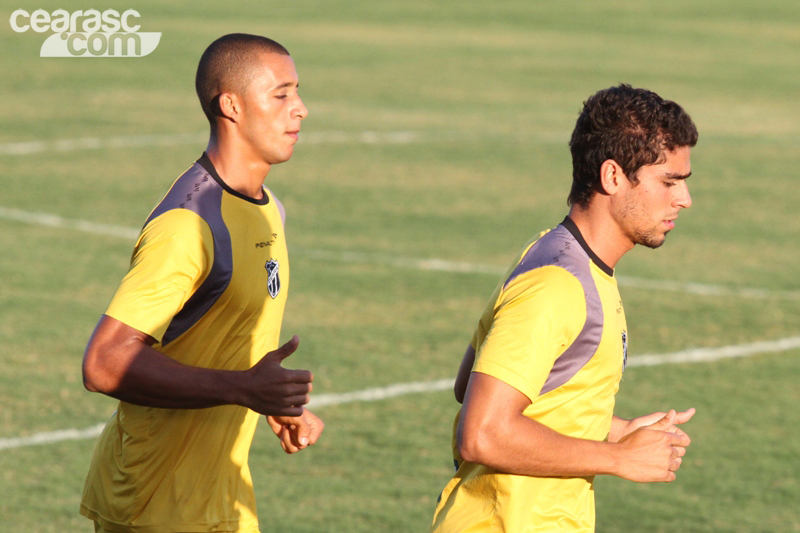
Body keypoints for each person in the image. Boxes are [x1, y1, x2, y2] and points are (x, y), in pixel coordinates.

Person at [80, 34, 323, 533]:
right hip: (156, 507)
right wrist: (242, 389)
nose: (299, 109)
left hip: (220, 498)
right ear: (231, 105)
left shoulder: (267, 208)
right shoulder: (188, 226)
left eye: (297, 91)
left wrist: (271, 401)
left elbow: (218, 331)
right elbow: (104, 363)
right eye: (280, 94)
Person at [430, 84, 698, 532]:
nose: (684, 200)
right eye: (669, 182)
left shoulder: (564, 258)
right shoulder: (557, 284)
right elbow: (482, 431)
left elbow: (480, 386)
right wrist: (617, 457)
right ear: (613, 177)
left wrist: (615, 428)